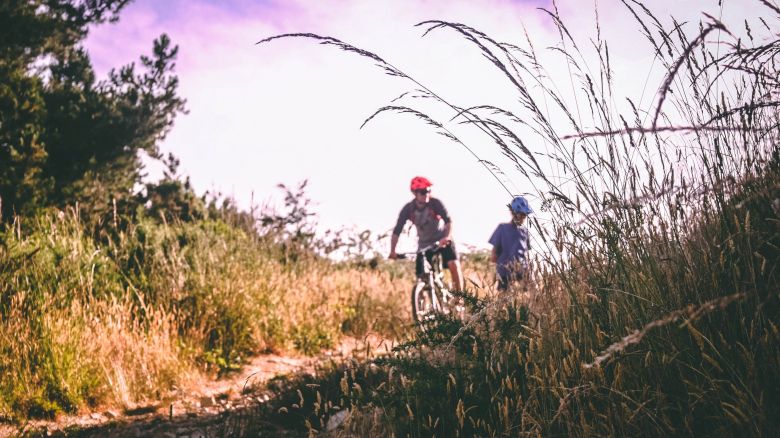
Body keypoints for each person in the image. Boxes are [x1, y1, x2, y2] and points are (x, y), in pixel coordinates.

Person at [389, 176, 464, 291]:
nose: (427, 194)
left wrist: (447, 237)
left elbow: (448, 221)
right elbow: (397, 231)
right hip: (424, 244)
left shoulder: (435, 203)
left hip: (442, 240)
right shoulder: (408, 209)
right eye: (423, 192)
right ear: (415, 193)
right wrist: (393, 251)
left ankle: (461, 298)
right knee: (422, 275)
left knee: (453, 264)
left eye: (429, 191)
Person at [489, 195, 533, 291]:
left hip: (522, 268)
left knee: (530, 292)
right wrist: (495, 258)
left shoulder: (525, 232)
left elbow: (526, 252)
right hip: (505, 269)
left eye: (524, 215)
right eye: (520, 214)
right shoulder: (502, 228)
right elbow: (494, 252)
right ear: (513, 213)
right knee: (504, 293)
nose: (523, 217)